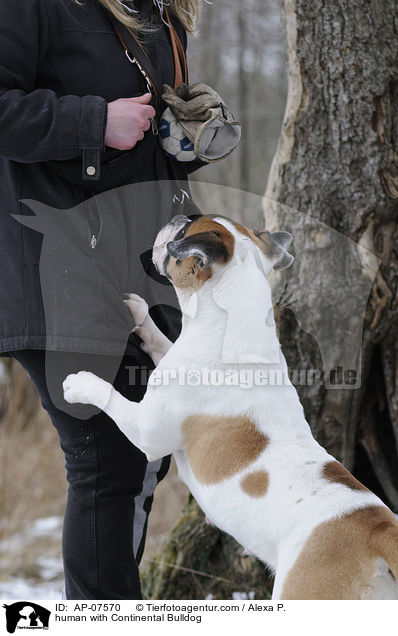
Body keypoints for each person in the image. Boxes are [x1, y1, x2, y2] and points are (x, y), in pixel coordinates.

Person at [0, 0, 203, 599]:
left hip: (143, 261)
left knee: (142, 456)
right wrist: (93, 123)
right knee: (104, 459)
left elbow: (140, 135)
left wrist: (187, 134)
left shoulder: (157, 8)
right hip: (55, 261)